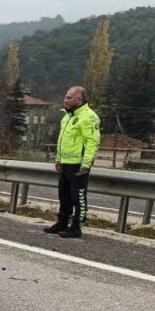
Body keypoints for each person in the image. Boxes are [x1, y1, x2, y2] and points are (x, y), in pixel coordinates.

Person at [44, 85, 100, 239]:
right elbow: (63, 140)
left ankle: (76, 227)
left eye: (69, 98)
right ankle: (62, 223)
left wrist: (86, 163)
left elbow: (92, 141)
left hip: (79, 164)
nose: (65, 100)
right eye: (65, 97)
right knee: (64, 195)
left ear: (79, 99)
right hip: (66, 162)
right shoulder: (67, 116)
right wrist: (58, 159)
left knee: (78, 197)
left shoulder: (88, 116)